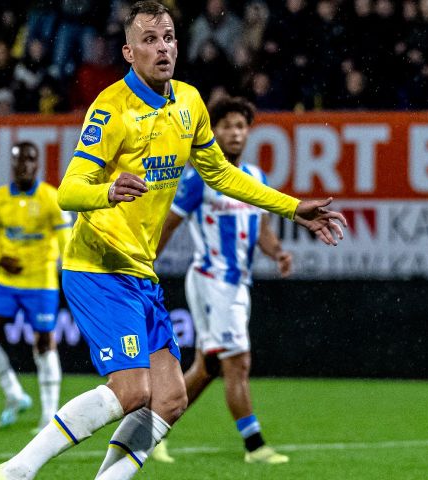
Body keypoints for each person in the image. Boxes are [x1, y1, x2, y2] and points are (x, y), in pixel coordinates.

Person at [0, 2, 346, 479]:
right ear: (129, 52)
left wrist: (292, 206)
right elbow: (69, 191)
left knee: (170, 399)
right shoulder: (111, 109)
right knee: (132, 390)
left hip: (140, 273)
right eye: (150, 40)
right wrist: (107, 190)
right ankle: (17, 469)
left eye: (169, 37)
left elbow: (223, 176)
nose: (163, 48)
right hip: (99, 267)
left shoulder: (189, 103)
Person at [151, 97, 292, 465]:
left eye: (241, 126)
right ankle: (255, 446)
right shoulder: (199, 176)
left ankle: (151, 430)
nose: (234, 132)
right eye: (227, 125)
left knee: (210, 366)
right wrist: (146, 261)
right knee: (238, 361)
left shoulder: (257, 177)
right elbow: (171, 222)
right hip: (212, 280)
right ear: (213, 132)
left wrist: (277, 253)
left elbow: (262, 227)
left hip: (239, 285)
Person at [0, 142, 71, 432]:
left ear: (37, 163)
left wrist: (68, 270)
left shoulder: (51, 198)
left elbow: (64, 239)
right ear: (13, 164)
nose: (24, 165)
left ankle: (49, 414)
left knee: (44, 342)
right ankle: (15, 395)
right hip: (7, 281)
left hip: (41, 281)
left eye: (30, 159)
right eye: (19, 160)